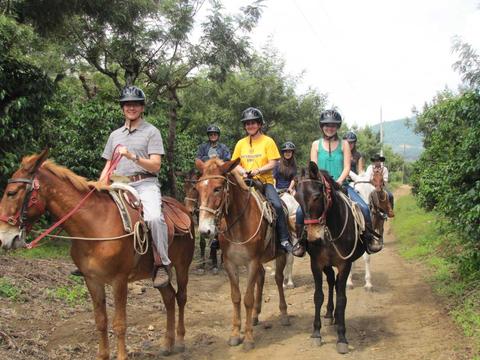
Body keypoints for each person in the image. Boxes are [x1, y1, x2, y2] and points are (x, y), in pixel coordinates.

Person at [100, 85, 170, 288]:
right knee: (96, 213)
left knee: (155, 218)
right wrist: (99, 185)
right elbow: (108, 165)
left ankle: (162, 264)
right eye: (127, 104)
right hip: (118, 184)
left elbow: (156, 165)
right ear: (122, 107)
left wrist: (132, 157)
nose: (131, 108)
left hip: (144, 183)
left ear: (142, 108)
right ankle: (95, 260)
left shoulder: (152, 132)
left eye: (136, 104)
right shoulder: (115, 135)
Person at [293, 109, 382, 257]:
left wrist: (338, 181)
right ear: (322, 126)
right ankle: (301, 242)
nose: (330, 128)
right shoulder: (316, 144)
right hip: (319, 187)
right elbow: (313, 167)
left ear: (337, 127)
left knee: (364, 208)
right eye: (327, 125)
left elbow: (347, 167)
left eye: (333, 125)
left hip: (341, 185)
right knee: (299, 212)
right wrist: (320, 182)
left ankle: (369, 239)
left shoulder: (344, 144)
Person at [231, 107, 293, 253]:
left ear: (259, 124)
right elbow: (234, 164)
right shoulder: (240, 143)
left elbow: (274, 162)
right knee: (225, 201)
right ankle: (221, 239)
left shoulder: (268, 141)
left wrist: (258, 170)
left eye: (253, 123)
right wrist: (243, 171)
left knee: (277, 206)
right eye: (247, 123)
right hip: (244, 181)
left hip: (264, 182)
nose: (250, 126)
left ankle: (284, 240)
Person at [196, 125, 231, 270]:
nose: (213, 136)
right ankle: (195, 209)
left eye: (215, 134)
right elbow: (198, 160)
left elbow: (228, 161)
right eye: (210, 134)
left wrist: (218, 164)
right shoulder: (203, 147)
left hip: (219, 176)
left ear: (218, 135)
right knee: (196, 190)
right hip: (206, 176)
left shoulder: (223, 148)